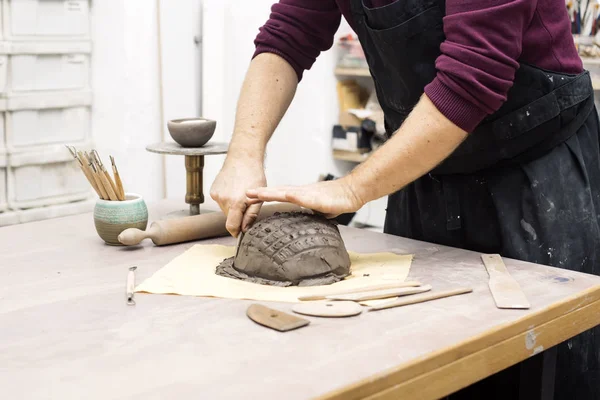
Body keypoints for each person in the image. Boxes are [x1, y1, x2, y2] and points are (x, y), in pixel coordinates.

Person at [210, 0, 600, 398]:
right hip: (424, 170)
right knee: (419, 360)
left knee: (542, 368)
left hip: (536, 171)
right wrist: (243, 152)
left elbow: (473, 76)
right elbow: (289, 32)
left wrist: (352, 188)